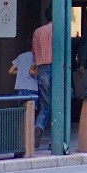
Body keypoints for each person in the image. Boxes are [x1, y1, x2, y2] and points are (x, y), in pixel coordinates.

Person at [29, 10, 56, 139]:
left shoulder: (38, 31)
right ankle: (56, 139)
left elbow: (34, 52)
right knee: (59, 103)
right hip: (57, 69)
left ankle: (38, 127)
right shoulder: (59, 30)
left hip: (42, 69)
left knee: (45, 104)